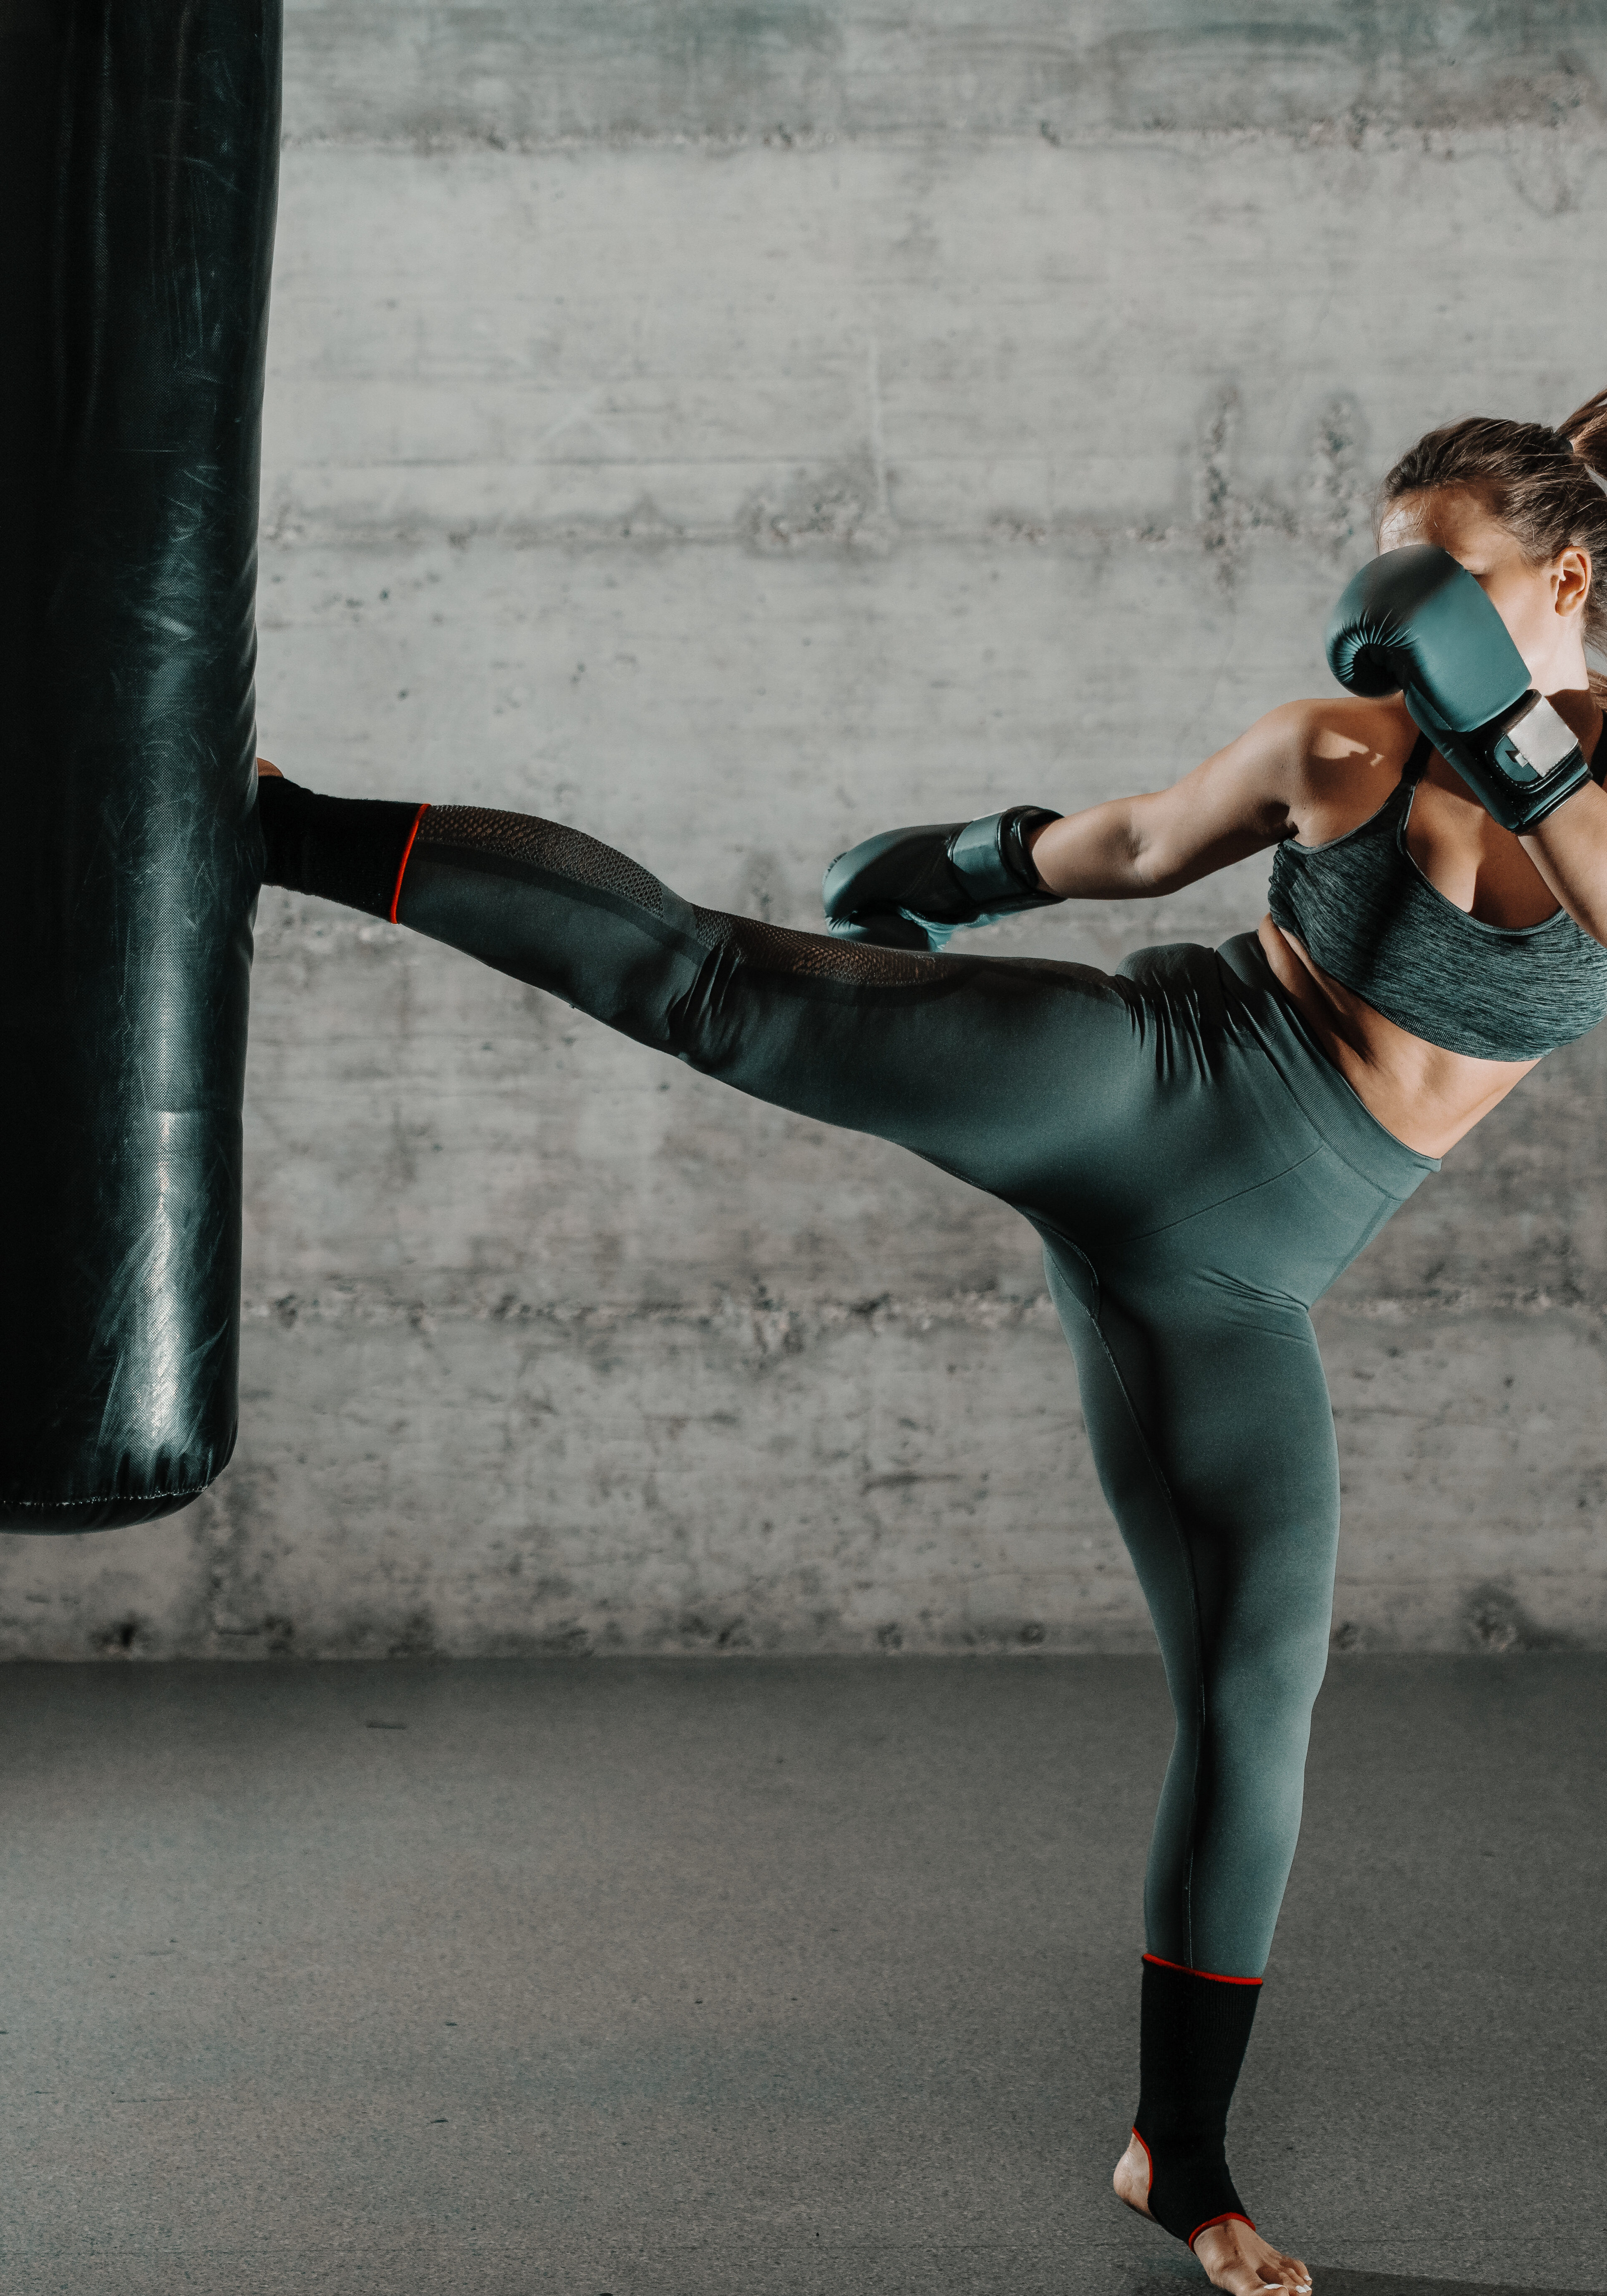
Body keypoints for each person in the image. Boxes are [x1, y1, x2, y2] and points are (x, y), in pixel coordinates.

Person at [251, 396, 1607, 2296]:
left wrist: (1525, 733)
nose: (1399, 617)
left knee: (1257, 1695)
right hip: (1136, 1093)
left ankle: (1181, 2157)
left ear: (1565, 584)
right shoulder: (1349, 741)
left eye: (1445, 580)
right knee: (717, 988)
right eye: (1389, 576)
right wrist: (963, 867)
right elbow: (1142, 842)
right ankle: (273, 821)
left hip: (1239, 1289)